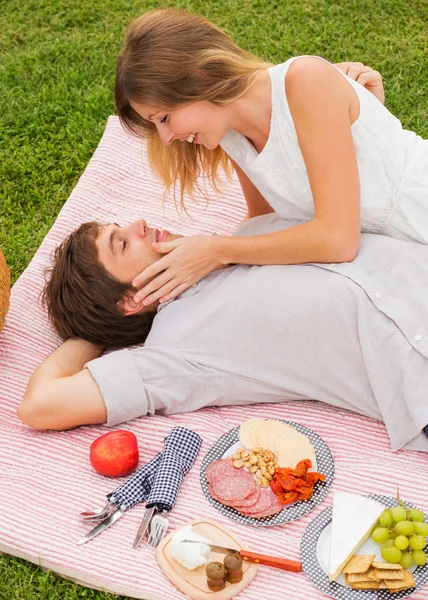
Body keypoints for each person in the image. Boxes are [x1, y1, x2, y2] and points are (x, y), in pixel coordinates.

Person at [18, 213, 428, 453]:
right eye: (122, 244)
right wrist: (96, 330)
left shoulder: (242, 237)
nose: (140, 224)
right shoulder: (176, 352)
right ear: (131, 300)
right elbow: (39, 405)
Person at [114, 8, 428, 309]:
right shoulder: (233, 138)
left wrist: (216, 250)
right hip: (397, 260)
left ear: (200, 75)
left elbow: (338, 239)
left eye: (164, 118)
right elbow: (263, 224)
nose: (166, 138)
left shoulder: (306, 80)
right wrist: (189, 262)